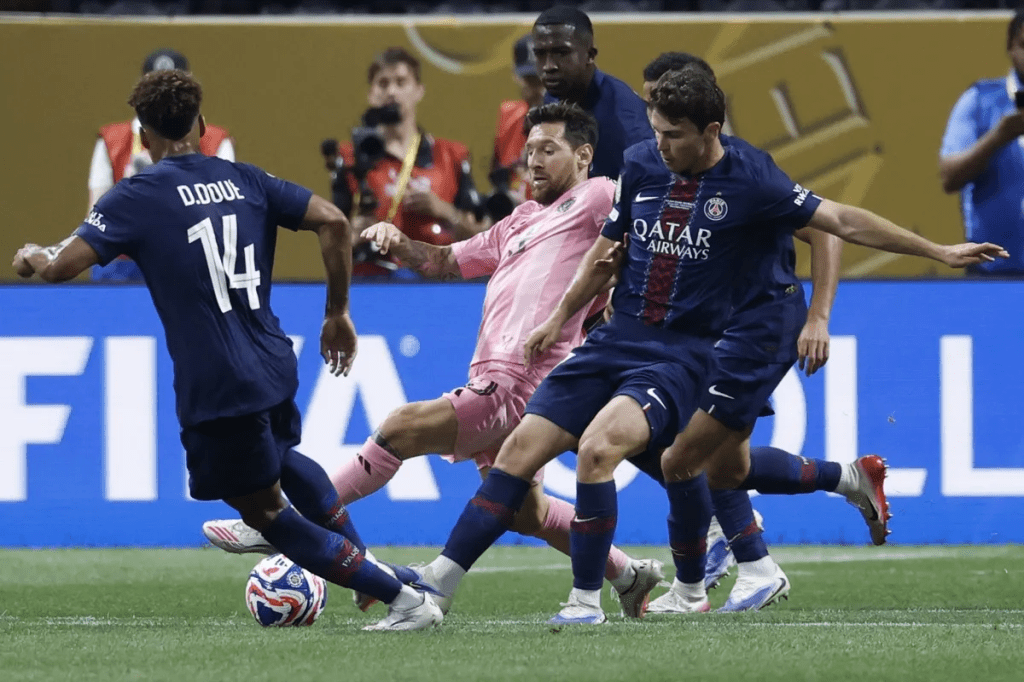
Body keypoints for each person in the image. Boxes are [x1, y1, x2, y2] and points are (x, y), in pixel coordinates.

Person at [407, 65, 1006, 627]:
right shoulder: (640, 165)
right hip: (615, 340)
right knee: (522, 452)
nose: (659, 144)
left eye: (673, 135)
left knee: (619, 453)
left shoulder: (752, 178)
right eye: (656, 131)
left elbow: (840, 223)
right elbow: (606, 253)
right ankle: (437, 583)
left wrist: (941, 251)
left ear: (710, 131)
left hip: (684, 353)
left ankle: (595, 599)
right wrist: (560, 317)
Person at [12, 69, 441, 632]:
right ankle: (370, 571)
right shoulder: (246, 179)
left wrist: (30, 258)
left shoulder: (135, 196)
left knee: (267, 513)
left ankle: (400, 599)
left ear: (142, 136)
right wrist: (337, 313)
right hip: (271, 359)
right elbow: (334, 221)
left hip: (217, 382)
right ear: (203, 125)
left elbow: (61, 265)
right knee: (285, 460)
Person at [201, 101, 663, 620]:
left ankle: (282, 521)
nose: (533, 161)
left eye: (548, 150)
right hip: (495, 374)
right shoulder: (521, 221)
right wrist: (399, 242)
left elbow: (641, 236)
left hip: (526, 379)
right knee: (525, 512)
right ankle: (627, 573)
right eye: (529, 149)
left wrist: (611, 307)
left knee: (400, 428)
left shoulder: (598, 196)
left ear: (583, 156)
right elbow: (446, 261)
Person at [633, 53, 844, 614]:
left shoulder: (748, 176)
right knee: (729, 465)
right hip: (707, 331)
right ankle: (839, 485)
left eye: (666, 115)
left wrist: (819, 316)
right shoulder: (664, 163)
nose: (654, 127)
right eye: (651, 109)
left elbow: (830, 228)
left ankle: (703, 579)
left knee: (683, 457)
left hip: (757, 328)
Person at [327, 47, 483, 278]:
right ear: (371, 93)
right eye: (383, 83)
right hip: (371, 282)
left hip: (436, 282)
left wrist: (445, 211)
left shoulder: (451, 155)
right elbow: (330, 244)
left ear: (419, 91)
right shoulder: (350, 158)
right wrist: (352, 237)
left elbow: (482, 238)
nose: (391, 91)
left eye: (401, 82)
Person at [88, 48, 234, 282]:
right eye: (155, 89)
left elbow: (226, 213)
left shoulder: (216, 141)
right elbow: (96, 213)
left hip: (190, 260)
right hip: (123, 265)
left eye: (176, 90)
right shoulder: (111, 140)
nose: (165, 98)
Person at [939, 11, 1024, 276]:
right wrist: (997, 139)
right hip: (993, 272)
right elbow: (949, 177)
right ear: (1011, 47)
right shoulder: (979, 100)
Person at [533, 6, 653, 179]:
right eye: (540, 54)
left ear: (590, 55)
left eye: (562, 53)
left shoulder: (623, 121)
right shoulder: (556, 93)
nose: (548, 66)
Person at [486, 34, 545, 216]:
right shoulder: (509, 117)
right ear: (516, 75)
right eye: (532, 80)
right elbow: (498, 175)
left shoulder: (576, 122)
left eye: (545, 78)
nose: (541, 88)